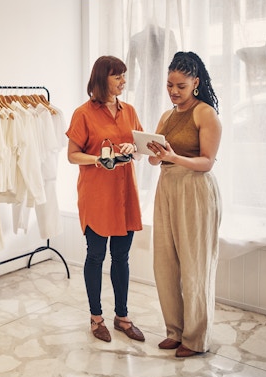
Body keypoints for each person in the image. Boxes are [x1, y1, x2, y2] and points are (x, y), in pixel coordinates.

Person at [146, 51, 222, 358]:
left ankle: (195, 338)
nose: (174, 91)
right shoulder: (166, 116)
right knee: (165, 264)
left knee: (194, 266)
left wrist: (172, 156)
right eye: (169, 85)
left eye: (180, 85)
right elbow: (155, 159)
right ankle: (174, 331)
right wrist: (151, 151)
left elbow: (207, 163)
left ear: (195, 83)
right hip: (167, 187)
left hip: (195, 190)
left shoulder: (205, 114)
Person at [65, 55, 145, 343]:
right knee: (96, 256)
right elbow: (72, 155)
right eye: (118, 76)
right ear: (102, 79)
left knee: (121, 257)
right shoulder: (83, 113)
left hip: (125, 194)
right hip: (97, 195)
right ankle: (96, 318)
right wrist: (98, 159)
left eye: (124, 75)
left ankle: (122, 317)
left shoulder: (130, 110)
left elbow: (139, 150)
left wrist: (131, 147)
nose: (124, 81)